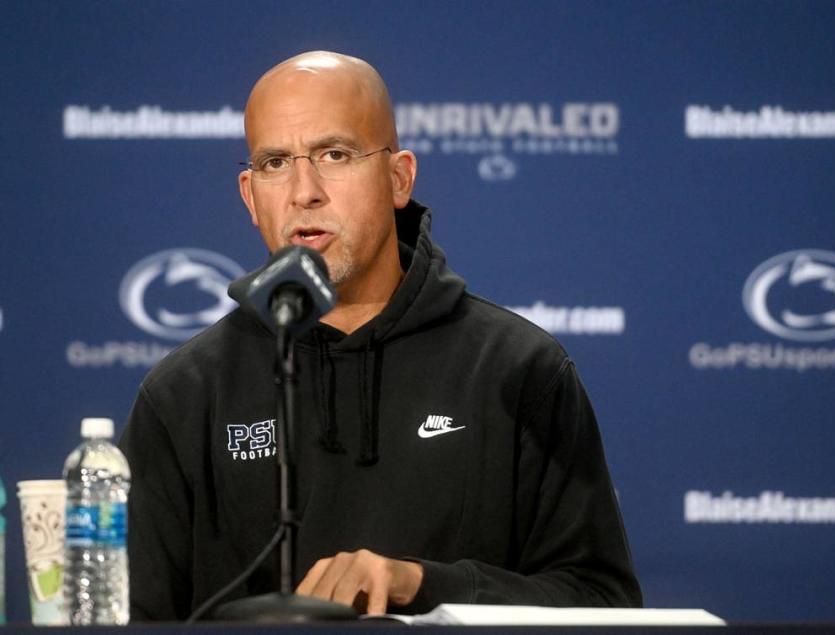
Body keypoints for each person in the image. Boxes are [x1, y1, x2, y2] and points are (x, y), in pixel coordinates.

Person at [119, 50, 642, 620]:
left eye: (334, 154)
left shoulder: (517, 369)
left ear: (399, 178)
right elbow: (130, 621)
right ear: (250, 196)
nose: (304, 191)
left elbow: (602, 603)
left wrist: (420, 586)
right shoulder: (183, 395)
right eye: (275, 163)